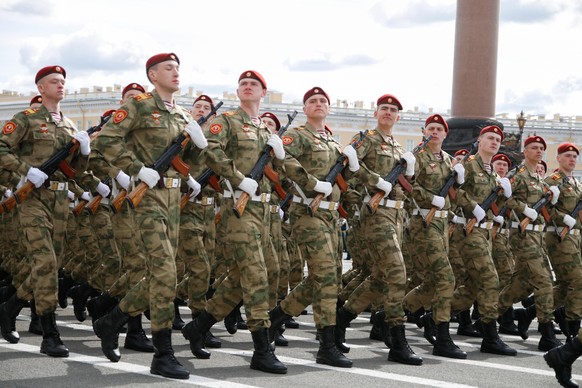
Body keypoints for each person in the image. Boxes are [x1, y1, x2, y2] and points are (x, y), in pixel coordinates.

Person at [91, 53, 204, 379]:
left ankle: (111, 321)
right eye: (169, 68)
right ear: (153, 74)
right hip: (147, 198)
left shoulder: (182, 114)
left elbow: (189, 161)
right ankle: (163, 354)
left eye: (178, 68)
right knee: (166, 274)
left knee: (162, 276)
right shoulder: (139, 105)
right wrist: (136, 169)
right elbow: (108, 141)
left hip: (172, 198)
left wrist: (198, 144)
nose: (176, 72)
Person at [181, 70, 288, 374]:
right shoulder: (227, 121)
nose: (247, 87)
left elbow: (277, 173)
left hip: (264, 212)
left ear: (263, 92)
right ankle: (261, 348)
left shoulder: (266, 131)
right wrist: (238, 178)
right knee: (255, 276)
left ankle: (198, 326)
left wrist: (279, 155)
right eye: (243, 83)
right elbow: (211, 150)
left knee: (244, 279)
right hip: (238, 210)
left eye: (253, 84)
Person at [0, 65, 92, 357]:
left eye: (63, 81)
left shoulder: (68, 125)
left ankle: (10, 307)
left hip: (60, 201)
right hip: (33, 200)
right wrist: (26, 171)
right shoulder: (26, 119)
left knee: (53, 264)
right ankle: (50, 334)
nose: (60, 85)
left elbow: (74, 172)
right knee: (45, 263)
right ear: (40, 88)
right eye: (54, 81)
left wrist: (85, 153)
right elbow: (2, 148)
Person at [268, 86, 353, 368]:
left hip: (330, 216)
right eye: (312, 101)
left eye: (323, 101)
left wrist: (351, 164)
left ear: (329, 108)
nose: (318, 104)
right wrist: (312, 183)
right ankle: (326, 343)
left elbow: (345, 181)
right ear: (305, 109)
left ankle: (274, 319)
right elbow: (284, 161)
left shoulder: (331, 141)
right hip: (307, 212)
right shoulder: (299, 135)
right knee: (326, 274)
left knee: (323, 275)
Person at [334, 94, 422, 365]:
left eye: (393, 110)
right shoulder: (366, 139)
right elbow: (347, 169)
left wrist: (410, 172)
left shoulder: (397, 147)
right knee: (397, 273)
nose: (388, 112)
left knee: (381, 277)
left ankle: (340, 320)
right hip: (375, 213)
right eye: (383, 108)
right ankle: (397, 338)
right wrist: (375, 180)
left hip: (396, 213)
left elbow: (408, 186)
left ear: (398, 117)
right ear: (376, 113)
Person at [401, 114, 467, 359]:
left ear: (445, 134)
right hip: (422, 223)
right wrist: (430, 198)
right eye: (431, 128)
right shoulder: (417, 157)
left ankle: (390, 315)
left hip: (442, 225)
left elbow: (454, 198)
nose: (435, 132)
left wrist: (458, 183)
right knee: (445, 279)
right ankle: (442, 335)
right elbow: (405, 184)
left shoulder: (450, 161)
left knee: (432, 282)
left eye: (439, 128)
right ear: (423, 131)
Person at [449, 125, 517, 356]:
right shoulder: (468, 165)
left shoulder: (492, 173)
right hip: (468, 230)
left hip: (486, 232)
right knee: (489, 280)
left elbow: (496, 207)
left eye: (498, 139)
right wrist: (473, 206)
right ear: (479, 140)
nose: (494, 141)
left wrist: (504, 196)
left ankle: (436, 315)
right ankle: (490, 335)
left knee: (474, 286)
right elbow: (454, 191)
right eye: (490, 137)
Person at [498, 135, 562, 352]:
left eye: (541, 148)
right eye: (534, 148)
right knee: (544, 281)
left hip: (537, 236)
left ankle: (489, 313)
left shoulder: (538, 178)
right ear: (525, 151)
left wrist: (551, 199)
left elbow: (544, 211)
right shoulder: (518, 175)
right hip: (522, 234)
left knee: (523, 284)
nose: (538, 151)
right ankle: (547, 332)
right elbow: (503, 197)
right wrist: (524, 209)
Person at [174, 94, 222, 356]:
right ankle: (199, 324)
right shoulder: (182, 135)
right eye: (198, 107)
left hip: (208, 210)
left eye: (207, 108)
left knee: (207, 267)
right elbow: (170, 166)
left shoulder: (214, 140)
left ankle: (173, 300)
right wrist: (187, 181)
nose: (202, 111)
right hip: (186, 207)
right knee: (199, 266)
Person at [543, 143, 582, 343]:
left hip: (575, 236)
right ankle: (573, 327)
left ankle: (534, 311)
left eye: (575, 156)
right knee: (578, 280)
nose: (572, 159)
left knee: (566, 284)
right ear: (558, 158)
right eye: (567, 155)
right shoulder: (552, 181)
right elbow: (543, 209)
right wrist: (561, 218)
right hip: (559, 235)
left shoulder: (576, 183)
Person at [490, 153, 519, 336]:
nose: (501, 167)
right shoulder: (489, 183)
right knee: (503, 275)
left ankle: (501, 316)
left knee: (503, 277)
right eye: (498, 164)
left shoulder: (509, 186)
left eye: (504, 165)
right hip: (487, 233)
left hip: (504, 234)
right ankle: (502, 318)